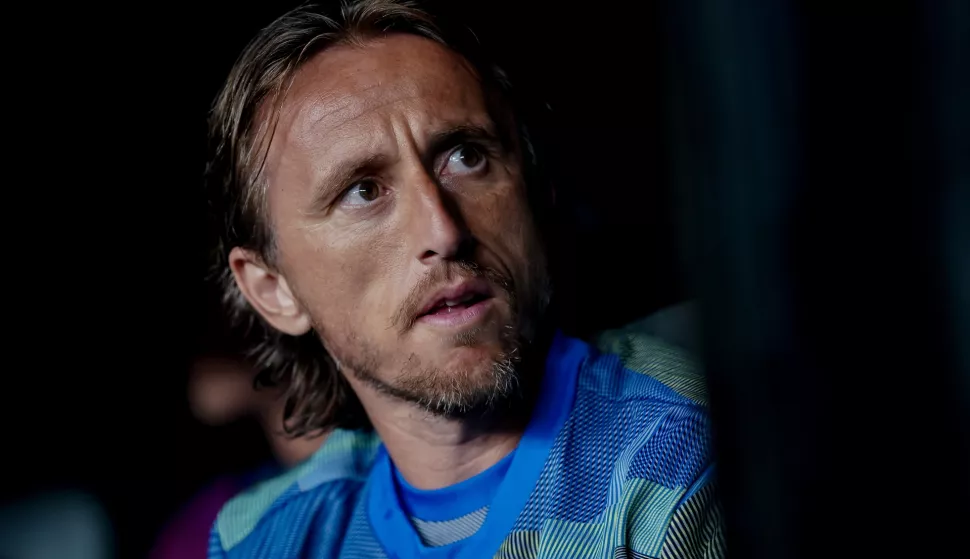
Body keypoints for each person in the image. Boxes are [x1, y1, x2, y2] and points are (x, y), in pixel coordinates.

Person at [205, 1, 724, 557]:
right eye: (363, 191)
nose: (444, 231)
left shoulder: (681, 455)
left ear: (532, 185)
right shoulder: (261, 538)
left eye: (466, 157)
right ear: (273, 290)